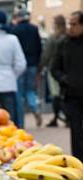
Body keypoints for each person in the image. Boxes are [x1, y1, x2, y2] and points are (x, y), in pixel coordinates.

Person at [52, 11, 83, 161]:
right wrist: (65, 79)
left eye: (74, 24)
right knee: (76, 133)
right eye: (69, 23)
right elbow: (54, 68)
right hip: (72, 97)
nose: (70, 27)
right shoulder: (63, 43)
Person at [12, 8, 43, 127]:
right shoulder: (34, 29)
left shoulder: (15, 30)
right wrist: (38, 65)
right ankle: (35, 109)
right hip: (32, 64)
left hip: (19, 65)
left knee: (19, 93)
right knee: (30, 90)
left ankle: (21, 121)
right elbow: (39, 48)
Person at [40, 15, 66, 126]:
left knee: (56, 95)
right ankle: (64, 116)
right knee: (65, 94)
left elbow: (46, 55)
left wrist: (40, 68)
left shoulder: (53, 38)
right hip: (67, 70)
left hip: (54, 70)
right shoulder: (68, 36)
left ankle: (57, 117)